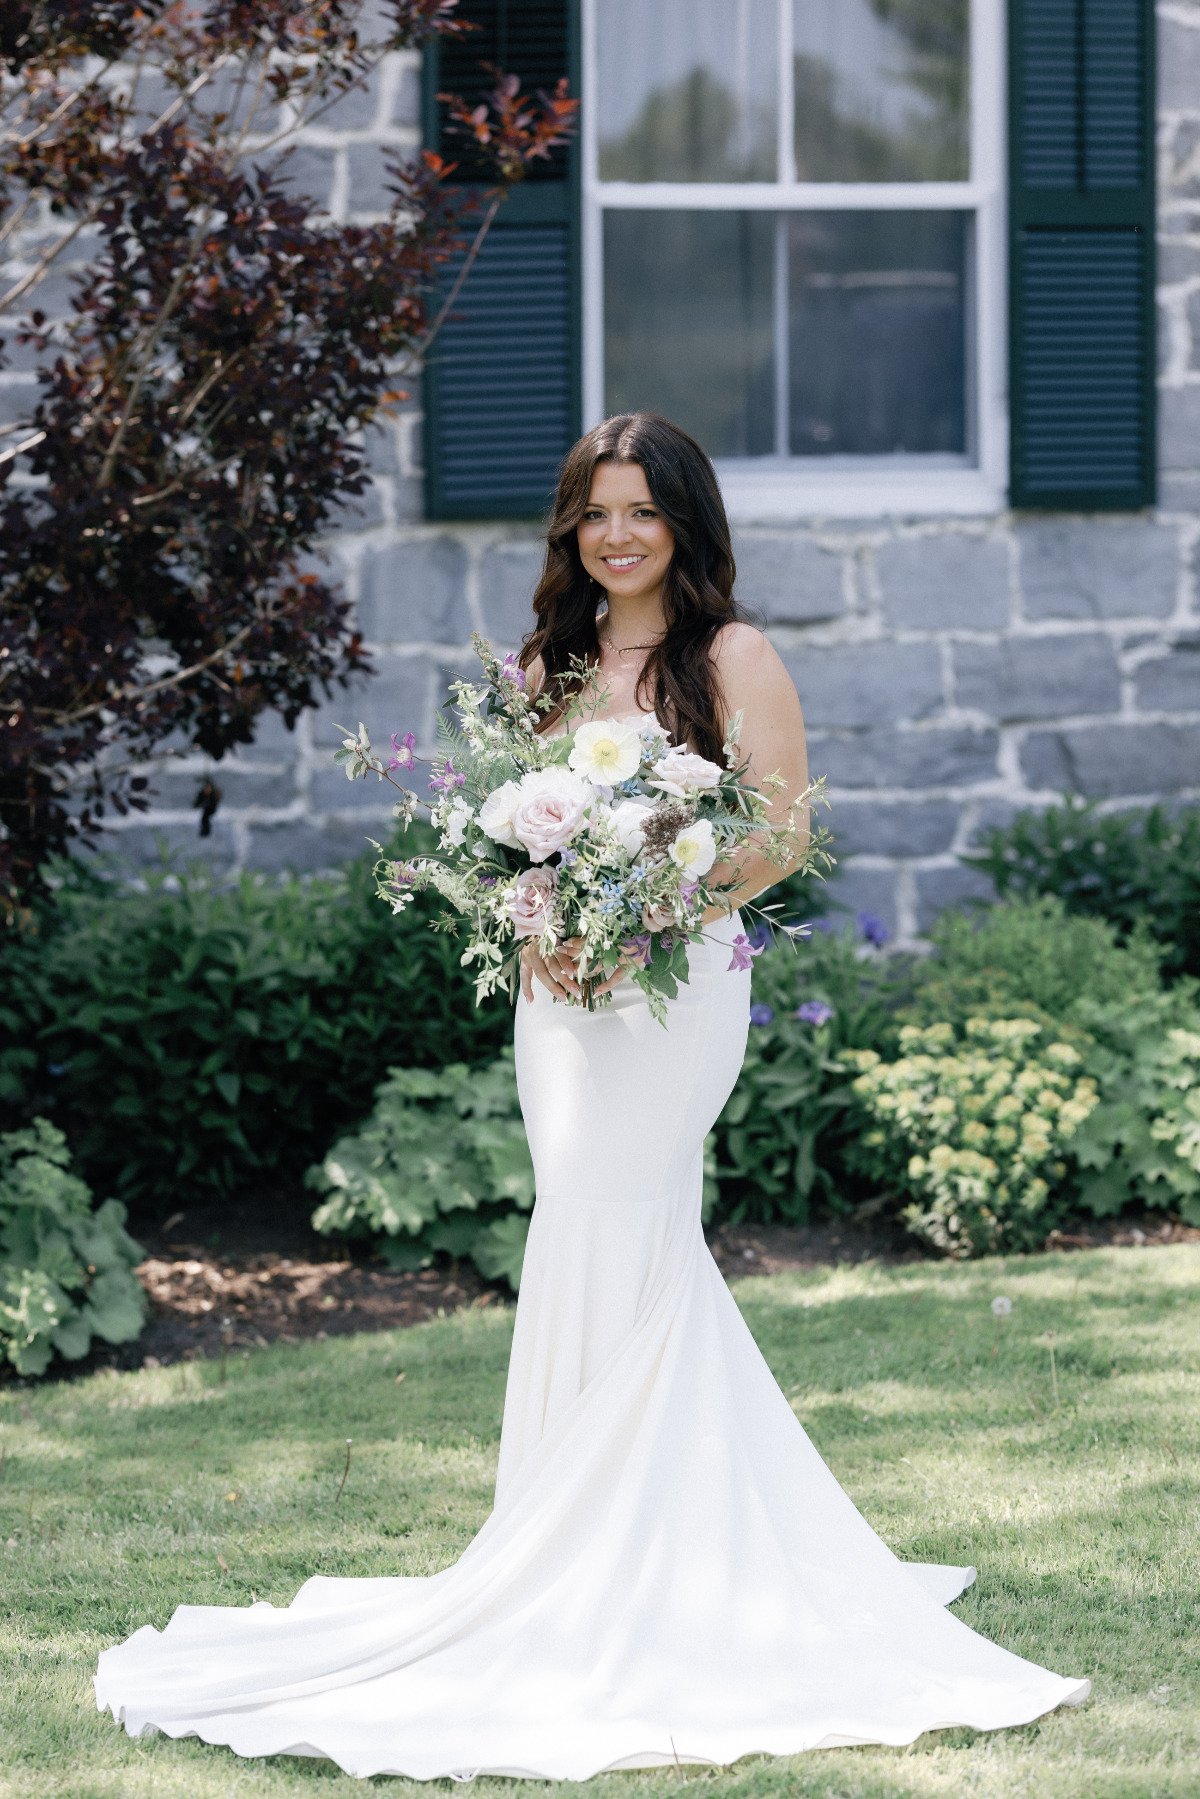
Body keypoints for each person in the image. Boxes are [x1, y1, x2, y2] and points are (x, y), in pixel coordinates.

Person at [93, 413, 1090, 1781]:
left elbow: (782, 829)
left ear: (686, 520)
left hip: (675, 995)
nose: (615, 536)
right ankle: (576, 1535)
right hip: (560, 1001)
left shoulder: (732, 656)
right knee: (581, 1224)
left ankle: (639, 1551)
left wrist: (655, 904)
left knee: (629, 1223)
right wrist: (533, 916)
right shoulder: (544, 670)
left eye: (641, 511)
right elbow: (499, 827)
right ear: (572, 532)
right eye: (592, 515)